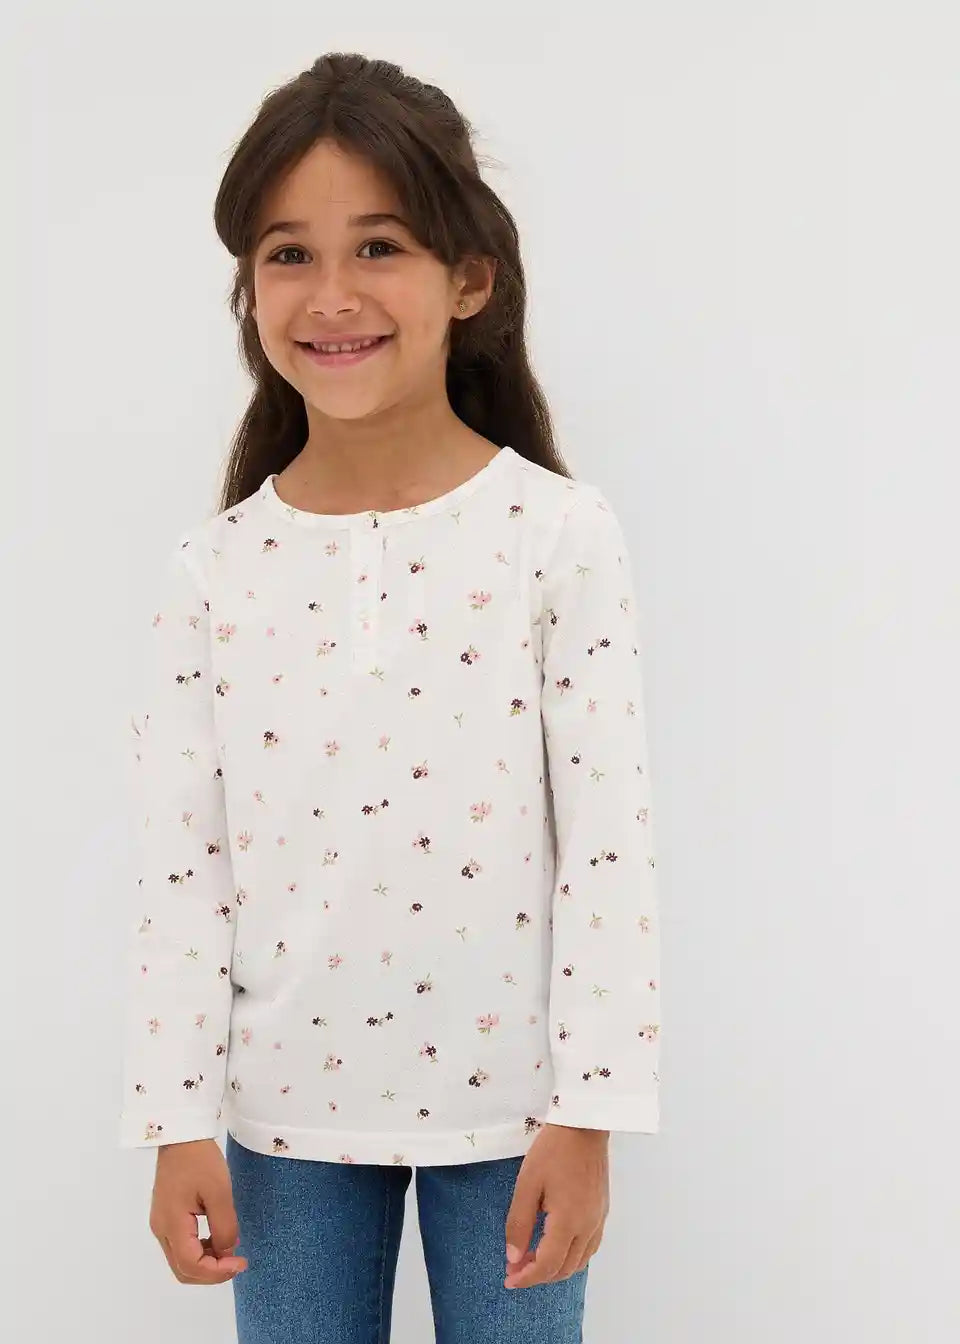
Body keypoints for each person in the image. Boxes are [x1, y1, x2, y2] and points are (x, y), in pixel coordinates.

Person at [118, 51, 661, 1344]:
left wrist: (590, 1112)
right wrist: (174, 1119)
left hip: (518, 1116)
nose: (332, 295)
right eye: (288, 255)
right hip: (282, 1125)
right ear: (248, 290)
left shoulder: (557, 536)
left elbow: (608, 843)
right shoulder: (215, 568)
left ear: (470, 279)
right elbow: (185, 867)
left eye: (379, 246)